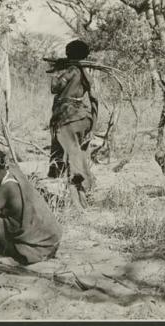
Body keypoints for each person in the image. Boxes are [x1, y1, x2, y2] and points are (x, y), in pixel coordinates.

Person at [46, 40, 99, 208]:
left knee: (69, 160)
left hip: (67, 118)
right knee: (79, 157)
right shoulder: (87, 73)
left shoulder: (71, 70)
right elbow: (95, 99)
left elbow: (55, 88)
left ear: (69, 54)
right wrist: (94, 125)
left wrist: (57, 72)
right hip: (84, 118)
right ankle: (83, 201)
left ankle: (77, 206)